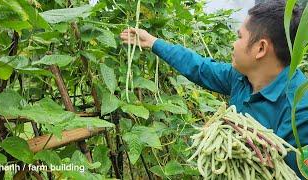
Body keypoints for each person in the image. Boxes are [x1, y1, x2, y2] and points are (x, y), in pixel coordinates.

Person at [120, 0, 308, 178]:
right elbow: (201, 68)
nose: (233, 44)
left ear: (260, 48)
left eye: (239, 36)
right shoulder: (243, 77)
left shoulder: (299, 111)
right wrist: (153, 42)